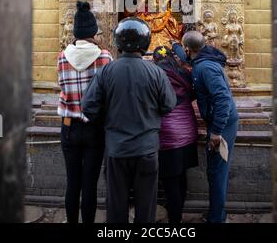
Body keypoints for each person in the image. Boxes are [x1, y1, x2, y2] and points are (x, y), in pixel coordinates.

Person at [82, 17, 177, 223]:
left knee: (116, 205)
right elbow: (169, 104)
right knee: (146, 206)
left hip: (117, 149)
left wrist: (108, 120)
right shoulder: (156, 72)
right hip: (147, 149)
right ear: (145, 42)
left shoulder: (106, 71)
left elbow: (88, 107)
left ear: (118, 42)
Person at [172, 31, 239, 223]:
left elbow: (223, 99)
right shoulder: (203, 57)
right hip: (220, 121)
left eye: (183, 48)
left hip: (223, 124)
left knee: (217, 171)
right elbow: (187, 56)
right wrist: (175, 46)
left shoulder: (205, 68)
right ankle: (217, 213)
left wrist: (216, 131)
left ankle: (216, 218)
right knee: (218, 169)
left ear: (188, 49)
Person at [57, 1, 112, 223]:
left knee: (73, 182)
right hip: (94, 128)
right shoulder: (105, 57)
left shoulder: (62, 57)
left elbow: (61, 86)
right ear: (92, 32)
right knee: (90, 183)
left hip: (69, 126)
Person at [153, 46, 198, 224]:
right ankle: (178, 215)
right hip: (188, 130)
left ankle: (174, 220)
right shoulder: (184, 73)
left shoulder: (156, 75)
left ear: (156, 60)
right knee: (181, 176)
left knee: (170, 181)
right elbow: (193, 94)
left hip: (167, 134)